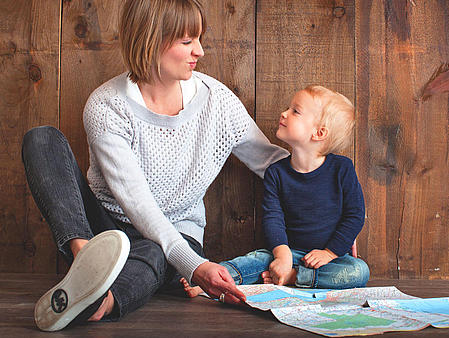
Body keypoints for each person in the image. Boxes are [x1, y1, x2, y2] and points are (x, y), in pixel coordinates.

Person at [22, 0, 289, 332]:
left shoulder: (217, 102)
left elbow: (272, 162)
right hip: (106, 228)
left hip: (178, 235)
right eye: (187, 41)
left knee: (153, 251)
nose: (200, 52)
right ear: (151, 39)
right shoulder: (107, 106)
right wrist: (198, 267)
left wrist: (332, 203)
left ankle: (99, 301)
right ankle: (85, 261)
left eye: (199, 39)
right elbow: (137, 203)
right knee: (41, 139)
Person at [182, 85, 370, 298]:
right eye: (288, 108)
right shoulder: (277, 173)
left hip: (329, 260)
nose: (284, 113)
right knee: (254, 260)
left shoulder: (342, 169)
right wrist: (282, 256)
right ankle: (210, 281)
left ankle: (293, 278)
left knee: (358, 271)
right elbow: (273, 218)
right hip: (287, 251)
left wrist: (330, 252)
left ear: (319, 133)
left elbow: (354, 216)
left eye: (295, 111)